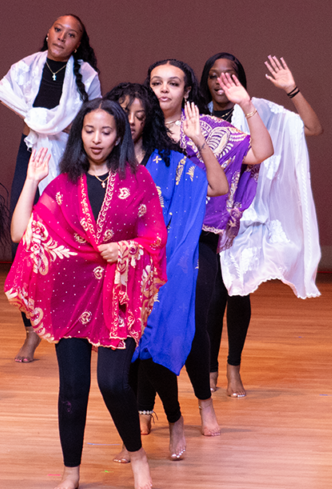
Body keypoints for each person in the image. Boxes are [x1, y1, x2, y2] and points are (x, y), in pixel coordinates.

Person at [5, 99, 166, 489]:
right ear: (80, 134)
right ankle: (71, 469)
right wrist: (31, 180)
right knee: (73, 389)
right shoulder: (64, 183)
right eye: (89, 131)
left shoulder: (138, 180)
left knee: (113, 384)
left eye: (106, 132)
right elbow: (19, 232)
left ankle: (138, 454)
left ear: (119, 137)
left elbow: (156, 238)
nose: (96, 139)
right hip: (71, 293)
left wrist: (126, 248)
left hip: (117, 294)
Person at [145, 59, 272, 436]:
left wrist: (247, 106)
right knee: (144, 327)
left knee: (194, 326)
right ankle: (144, 408)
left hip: (195, 239)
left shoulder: (209, 129)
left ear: (187, 91)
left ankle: (204, 404)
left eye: (173, 83)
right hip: (146, 244)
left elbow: (260, 152)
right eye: (156, 82)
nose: (164, 89)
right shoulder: (134, 130)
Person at [103, 82, 228, 462]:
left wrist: (199, 143)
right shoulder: (102, 163)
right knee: (125, 361)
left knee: (154, 352)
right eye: (126, 113)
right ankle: (133, 435)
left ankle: (173, 418)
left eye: (141, 115)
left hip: (164, 271)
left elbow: (219, 186)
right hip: (117, 273)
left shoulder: (169, 162)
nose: (133, 121)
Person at [0, 14, 101, 362]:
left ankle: (78, 323)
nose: (62, 37)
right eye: (58, 29)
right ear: (48, 33)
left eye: (71, 34)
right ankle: (31, 330)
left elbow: (93, 125)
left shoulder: (87, 76)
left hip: (70, 161)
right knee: (23, 241)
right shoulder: (27, 67)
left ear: (78, 43)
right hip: (32, 158)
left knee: (75, 244)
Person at [200, 53, 323, 398]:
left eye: (230, 75)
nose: (221, 81)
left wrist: (292, 89)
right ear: (205, 81)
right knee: (210, 300)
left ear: (240, 79)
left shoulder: (259, 110)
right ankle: (210, 372)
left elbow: (312, 128)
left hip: (246, 217)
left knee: (239, 293)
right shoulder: (196, 114)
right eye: (214, 75)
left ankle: (233, 369)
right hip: (206, 218)